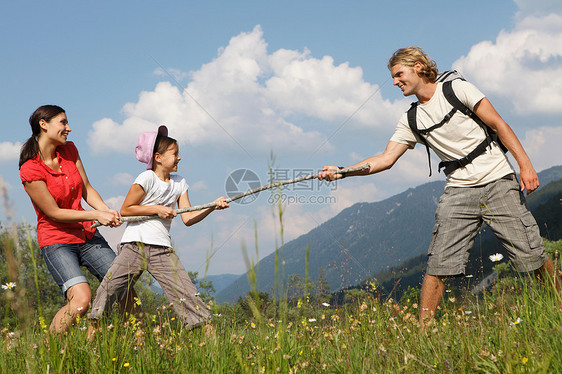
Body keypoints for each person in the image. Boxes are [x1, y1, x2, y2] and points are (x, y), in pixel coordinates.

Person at [319, 46, 560, 323]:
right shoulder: (411, 119)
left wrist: (525, 165)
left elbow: (499, 124)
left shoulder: (457, 89)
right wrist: (342, 172)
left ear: (419, 66)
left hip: (497, 179)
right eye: (394, 77)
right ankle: (424, 329)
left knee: (531, 254)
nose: (395, 82)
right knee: (439, 262)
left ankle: (559, 303)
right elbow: (385, 159)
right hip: (458, 189)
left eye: (399, 74)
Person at [88, 125, 229, 335]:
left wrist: (212, 206)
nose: (179, 158)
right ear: (158, 157)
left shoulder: (180, 183)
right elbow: (126, 209)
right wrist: (157, 209)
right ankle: (89, 341)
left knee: (188, 296)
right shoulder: (146, 179)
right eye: (175, 154)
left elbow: (188, 218)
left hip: (162, 249)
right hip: (134, 246)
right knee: (107, 291)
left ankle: (214, 349)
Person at [19, 105, 135, 333]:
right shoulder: (30, 169)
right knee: (82, 300)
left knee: (124, 285)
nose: (68, 128)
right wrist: (95, 214)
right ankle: (50, 350)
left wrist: (106, 210)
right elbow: (54, 212)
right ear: (43, 124)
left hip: (88, 235)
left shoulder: (69, 150)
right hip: (57, 241)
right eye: (63, 122)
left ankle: (132, 342)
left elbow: (87, 190)